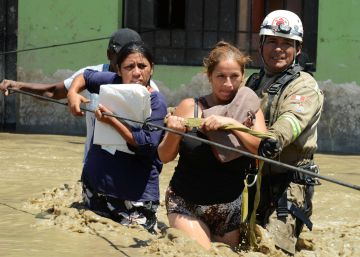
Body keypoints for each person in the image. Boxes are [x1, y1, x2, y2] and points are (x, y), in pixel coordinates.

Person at [157, 41, 267, 249]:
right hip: (186, 203)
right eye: (220, 77)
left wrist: (233, 125)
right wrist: (174, 133)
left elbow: (261, 150)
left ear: (243, 76)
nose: (228, 84)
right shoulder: (190, 108)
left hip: (229, 209)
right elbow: (164, 156)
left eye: (234, 76)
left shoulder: (252, 111)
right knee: (203, 252)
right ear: (209, 77)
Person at [0, 28, 159, 161]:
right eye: (122, 57)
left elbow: (150, 141)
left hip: (131, 166)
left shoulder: (149, 90)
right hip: (95, 165)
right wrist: (19, 86)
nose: (133, 68)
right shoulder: (91, 75)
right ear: (109, 54)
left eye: (138, 62)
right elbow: (53, 91)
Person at [245, 10, 324, 255]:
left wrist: (273, 138)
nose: (278, 49)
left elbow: (292, 120)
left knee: (273, 248)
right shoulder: (252, 83)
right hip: (255, 181)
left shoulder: (304, 86)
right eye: (272, 41)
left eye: (286, 44)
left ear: (297, 49)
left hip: (290, 183)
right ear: (261, 45)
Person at [67, 41, 167, 232]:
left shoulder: (156, 102)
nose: (136, 72)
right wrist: (73, 92)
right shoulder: (112, 82)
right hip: (95, 186)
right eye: (129, 67)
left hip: (133, 195)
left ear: (151, 69)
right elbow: (85, 76)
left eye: (142, 66)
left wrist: (112, 121)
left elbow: (147, 144)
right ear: (119, 70)